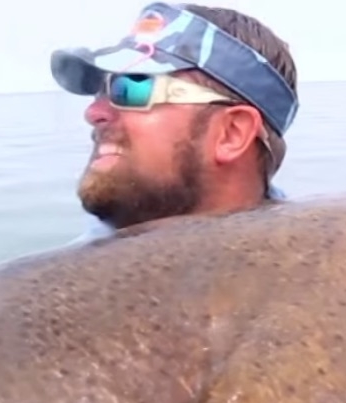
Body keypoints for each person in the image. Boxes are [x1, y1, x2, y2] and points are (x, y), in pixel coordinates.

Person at [49, 2, 299, 242]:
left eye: (131, 87)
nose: (94, 112)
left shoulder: (324, 274)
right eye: (99, 91)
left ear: (232, 133)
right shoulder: (49, 281)